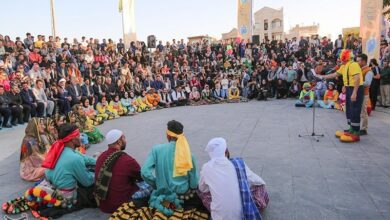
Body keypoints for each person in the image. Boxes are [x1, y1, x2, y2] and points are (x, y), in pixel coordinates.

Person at [141, 120, 204, 211]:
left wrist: (156, 184)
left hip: (164, 198)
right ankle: (178, 209)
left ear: (168, 135)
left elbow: (144, 172)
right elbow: (194, 184)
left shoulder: (156, 150)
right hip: (184, 198)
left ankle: (171, 208)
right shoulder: (189, 155)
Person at [198, 138, 266, 220]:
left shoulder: (206, 168)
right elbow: (257, 181)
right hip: (241, 216)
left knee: (202, 193)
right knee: (260, 187)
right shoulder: (238, 163)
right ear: (226, 151)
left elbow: (202, 189)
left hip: (219, 217)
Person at [37, 123, 96, 218]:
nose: (80, 137)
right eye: (78, 135)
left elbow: (84, 158)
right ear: (72, 139)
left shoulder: (59, 148)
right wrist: (96, 173)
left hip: (51, 186)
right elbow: (87, 182)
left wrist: (98, 161)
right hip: (66, 196)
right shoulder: (74, 158)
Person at [319, 49, 364, 142]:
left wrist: (354, 92)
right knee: (349, 109)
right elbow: (335, 74)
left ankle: (355, 134)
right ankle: (351, 129)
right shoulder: (344, 66)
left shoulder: (353, 65)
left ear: (345, 57)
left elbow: (357, 79)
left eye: (341, 57)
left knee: (355, 110)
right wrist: (322, 77)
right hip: (348, 88)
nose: (339, 59)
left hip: (355, 88)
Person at [95, 129, 142, 213]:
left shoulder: (101, 156)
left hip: (103, 205)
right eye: (124, 138)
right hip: (120, 206)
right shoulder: (127, 160)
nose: (125, 140)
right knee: (148, 186)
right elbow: (142, 177)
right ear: (119, 142)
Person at [357, 54, 373, 135]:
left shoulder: (369, 71)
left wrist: (356, 83)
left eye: (358, 60)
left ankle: (364, 129)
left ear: (363, 61)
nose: (357, 62)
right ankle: (357, 127)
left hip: (364, 94)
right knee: (359, 111)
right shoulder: (360, 69)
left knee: (363, 111)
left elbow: (367, 83)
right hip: (359, 93)